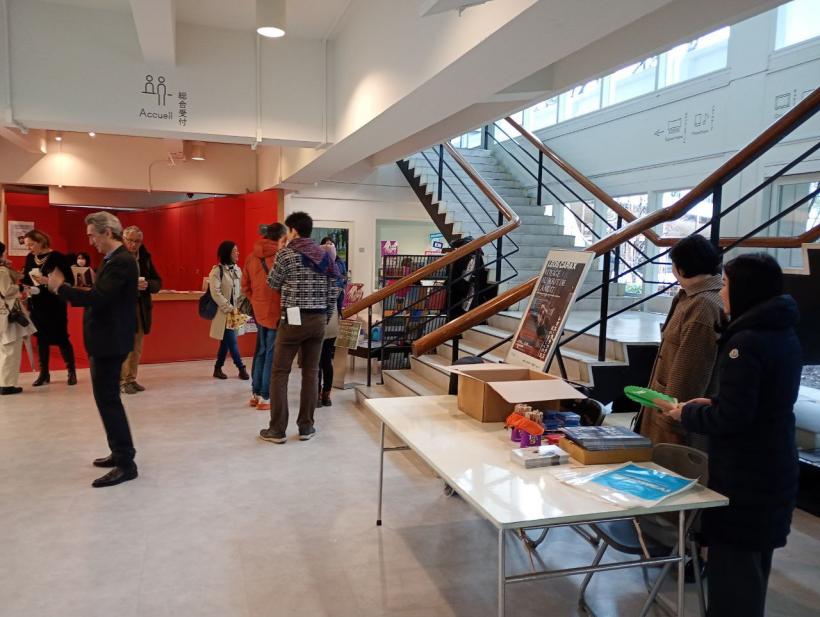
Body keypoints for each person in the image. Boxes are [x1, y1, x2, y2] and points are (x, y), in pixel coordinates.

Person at [660, 253, 801, 617]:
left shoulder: (747, 343)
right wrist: (714, 401)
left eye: (725, 284)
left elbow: (734, 418)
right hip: (771, 466)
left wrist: (687, 413)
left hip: (747, 475)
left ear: (745, 289)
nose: (721, 292)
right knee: (752, 571)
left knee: (734, 579)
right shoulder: (780, 332)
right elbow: (761, 401)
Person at [46, 212, 140, 487]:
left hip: (110, 342)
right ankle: (119, 452)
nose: (90, 241)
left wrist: (60, 288)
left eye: (92, 235)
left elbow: (99, 298)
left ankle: (126, 463)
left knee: (108, 401)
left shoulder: (120, 261)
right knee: (107, 401)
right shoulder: (113, 259)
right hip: (106, 341)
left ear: (107, 232)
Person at [259, 212, 340, 444]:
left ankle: (277, 430)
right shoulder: (324, 256)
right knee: (311, 373)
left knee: (280, 372)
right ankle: (306, 427)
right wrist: (325, 317)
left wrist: (281, 250)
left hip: (293, 318)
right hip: (318, 320)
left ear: (293, 230)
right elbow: (334, 289)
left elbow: (272, 283)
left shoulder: (286, 254)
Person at [638, 234, 723, 447]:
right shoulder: (692, 297)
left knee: (667, 464)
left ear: (680, 268)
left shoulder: (703, 305)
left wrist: (672, 419)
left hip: (675, 418)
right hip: (668, 406)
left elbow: (690, 371)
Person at [22, 229, 77, 386]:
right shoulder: (30, 257)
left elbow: (70, 281)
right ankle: (44, 373)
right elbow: (27, 278)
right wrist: (24, 285)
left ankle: (71, 371)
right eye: (27, 245)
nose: (29, 248)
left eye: (31, 244)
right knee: (41, 339)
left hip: (55, 303)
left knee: (62, 337)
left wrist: (48, 281)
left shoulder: (57, 257)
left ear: (41, 242)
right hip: (37, 303)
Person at [242, 222, 287, 410]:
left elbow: (245, 286)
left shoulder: (251, 257)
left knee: (260, 350)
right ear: (281, 237)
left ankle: (255, 393)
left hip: (258, 310)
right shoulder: (281, 258)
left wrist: (256, 301)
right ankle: (265, 397)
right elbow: (285, 287)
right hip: (275, 312)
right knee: (270, 352)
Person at [120, 226, 162, 394]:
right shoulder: (117, 257)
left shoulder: (145, 258)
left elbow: (158, 282)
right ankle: (123, 381)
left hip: (140, 307)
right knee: (125, 346)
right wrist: (130, 285)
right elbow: (109, 284)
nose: (133, 244)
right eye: (130, 241)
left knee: (136, 346)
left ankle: (131, 378)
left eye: (137, 241)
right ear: (123, 239)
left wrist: (147, 285)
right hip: (122, 308)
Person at [209, 241, 249, 381]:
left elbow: (242, 289)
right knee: (232, 341)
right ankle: (241, 368)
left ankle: (217, 368)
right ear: (227, 253)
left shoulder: (238, 270)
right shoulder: (217, 271)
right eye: (234, 251)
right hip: (224, 313)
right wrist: (229, 308)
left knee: (226, 343)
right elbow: (216, 293)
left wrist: (240, 307)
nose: (238, 253)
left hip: (235, 313)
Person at [1, 241, 37, 395]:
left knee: (5, 348)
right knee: (11, 348)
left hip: (3, 312)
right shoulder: (2, 270)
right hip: (8, 313)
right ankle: (7, 384)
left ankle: (4, 382)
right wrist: (20, 287)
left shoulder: (4, 268)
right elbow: (7, 290)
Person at [316, 239, 346, 406]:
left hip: (318, 320)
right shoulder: (336, 274)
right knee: (327, 359)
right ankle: (326, 396)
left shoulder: (315, 272)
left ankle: (317, 394)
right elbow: (339, 298)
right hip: (332, 320)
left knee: (316, 361)